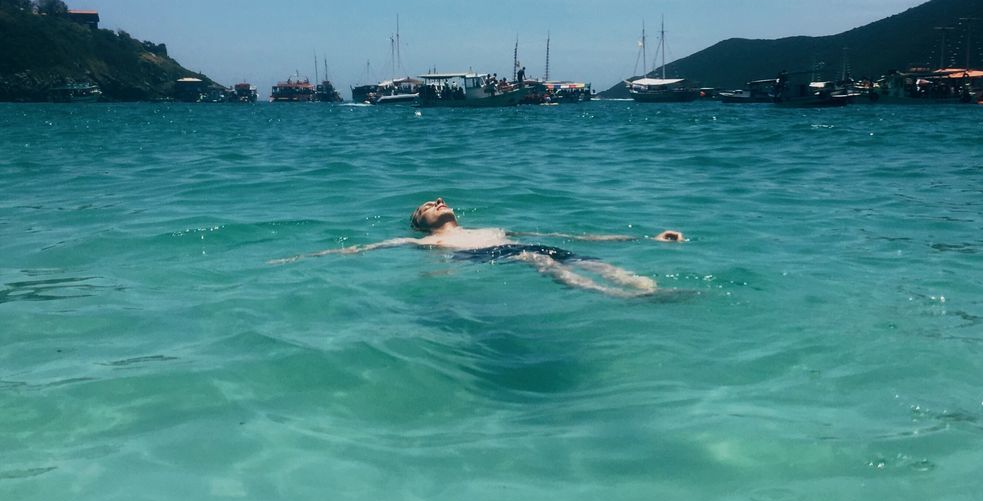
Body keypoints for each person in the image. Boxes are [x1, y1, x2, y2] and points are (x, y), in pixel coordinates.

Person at [271, 197, 685, 298]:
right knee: (536, 259)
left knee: (583, 257)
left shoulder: (494, 225)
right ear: (421, 225)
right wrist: (302, 258)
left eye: (439, 200)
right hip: (488, 256)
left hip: (516, 243)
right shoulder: (429, 242)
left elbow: (577, 236)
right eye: (427, 207)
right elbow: (359, 250)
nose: (437, 201)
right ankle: (610, 295)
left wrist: (646, 238)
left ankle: (648, 292)